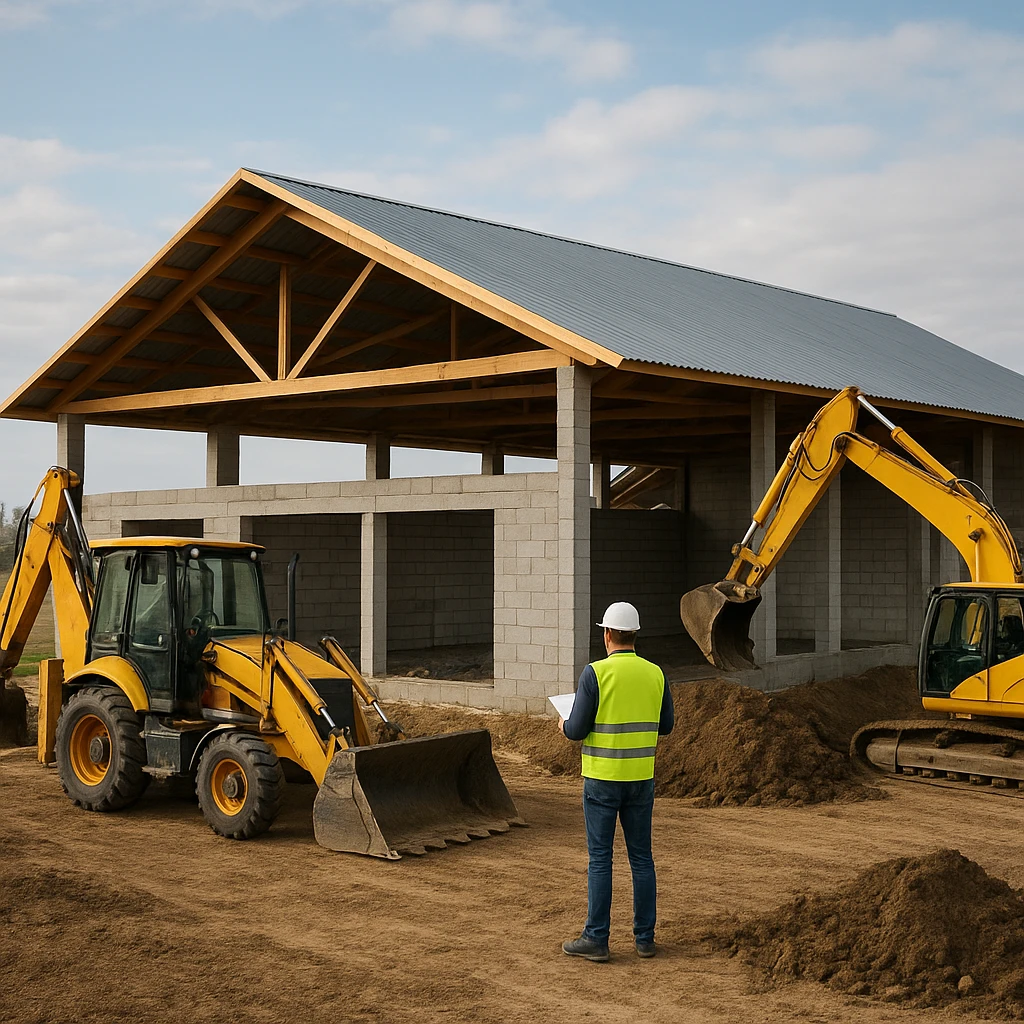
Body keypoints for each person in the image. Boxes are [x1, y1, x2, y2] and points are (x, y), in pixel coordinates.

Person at [558, 601, 674, 962]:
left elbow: (576, 729)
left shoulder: (594, 673)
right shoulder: (656, 673)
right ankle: (645, 939)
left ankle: (596, 939)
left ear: (607, 634)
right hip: (641, 779)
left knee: (600, 860)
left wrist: (563, 724)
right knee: (642, 858)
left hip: (602, 780)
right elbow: (666, 726)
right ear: (634, 634)